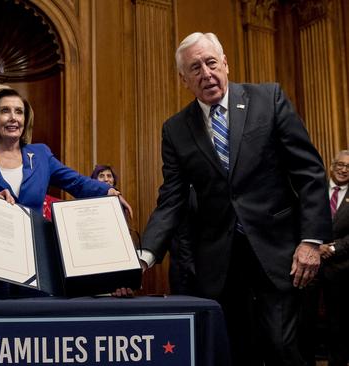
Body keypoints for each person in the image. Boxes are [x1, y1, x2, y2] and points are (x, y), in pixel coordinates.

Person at [139, 32, 332, 366]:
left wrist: (311, 241)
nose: (206, 74)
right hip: (221, 264)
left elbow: (309, 172)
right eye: (195, 68)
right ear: (184, 80)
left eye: (211, 63)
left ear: (225, 63)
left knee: (282, 347)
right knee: (234, 352)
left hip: (279, 253)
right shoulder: (175, 130)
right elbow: (171, 198)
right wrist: (145, 254)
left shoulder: (267, 98)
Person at [0, 88, 131, 299]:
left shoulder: (41, 155)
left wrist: (109, 190)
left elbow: (76, 182)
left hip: (35, 269)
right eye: (5, 111)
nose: (13, 118)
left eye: (19, 112)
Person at [318, 150, 349, 366]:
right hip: (309, 266)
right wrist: (316, 246)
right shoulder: (313, 189)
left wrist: (334, 248)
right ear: (332, 165)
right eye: (340, 165)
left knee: (338, 324)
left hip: (342, 269)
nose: (344, 170)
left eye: (348, 167)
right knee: (305, 321)